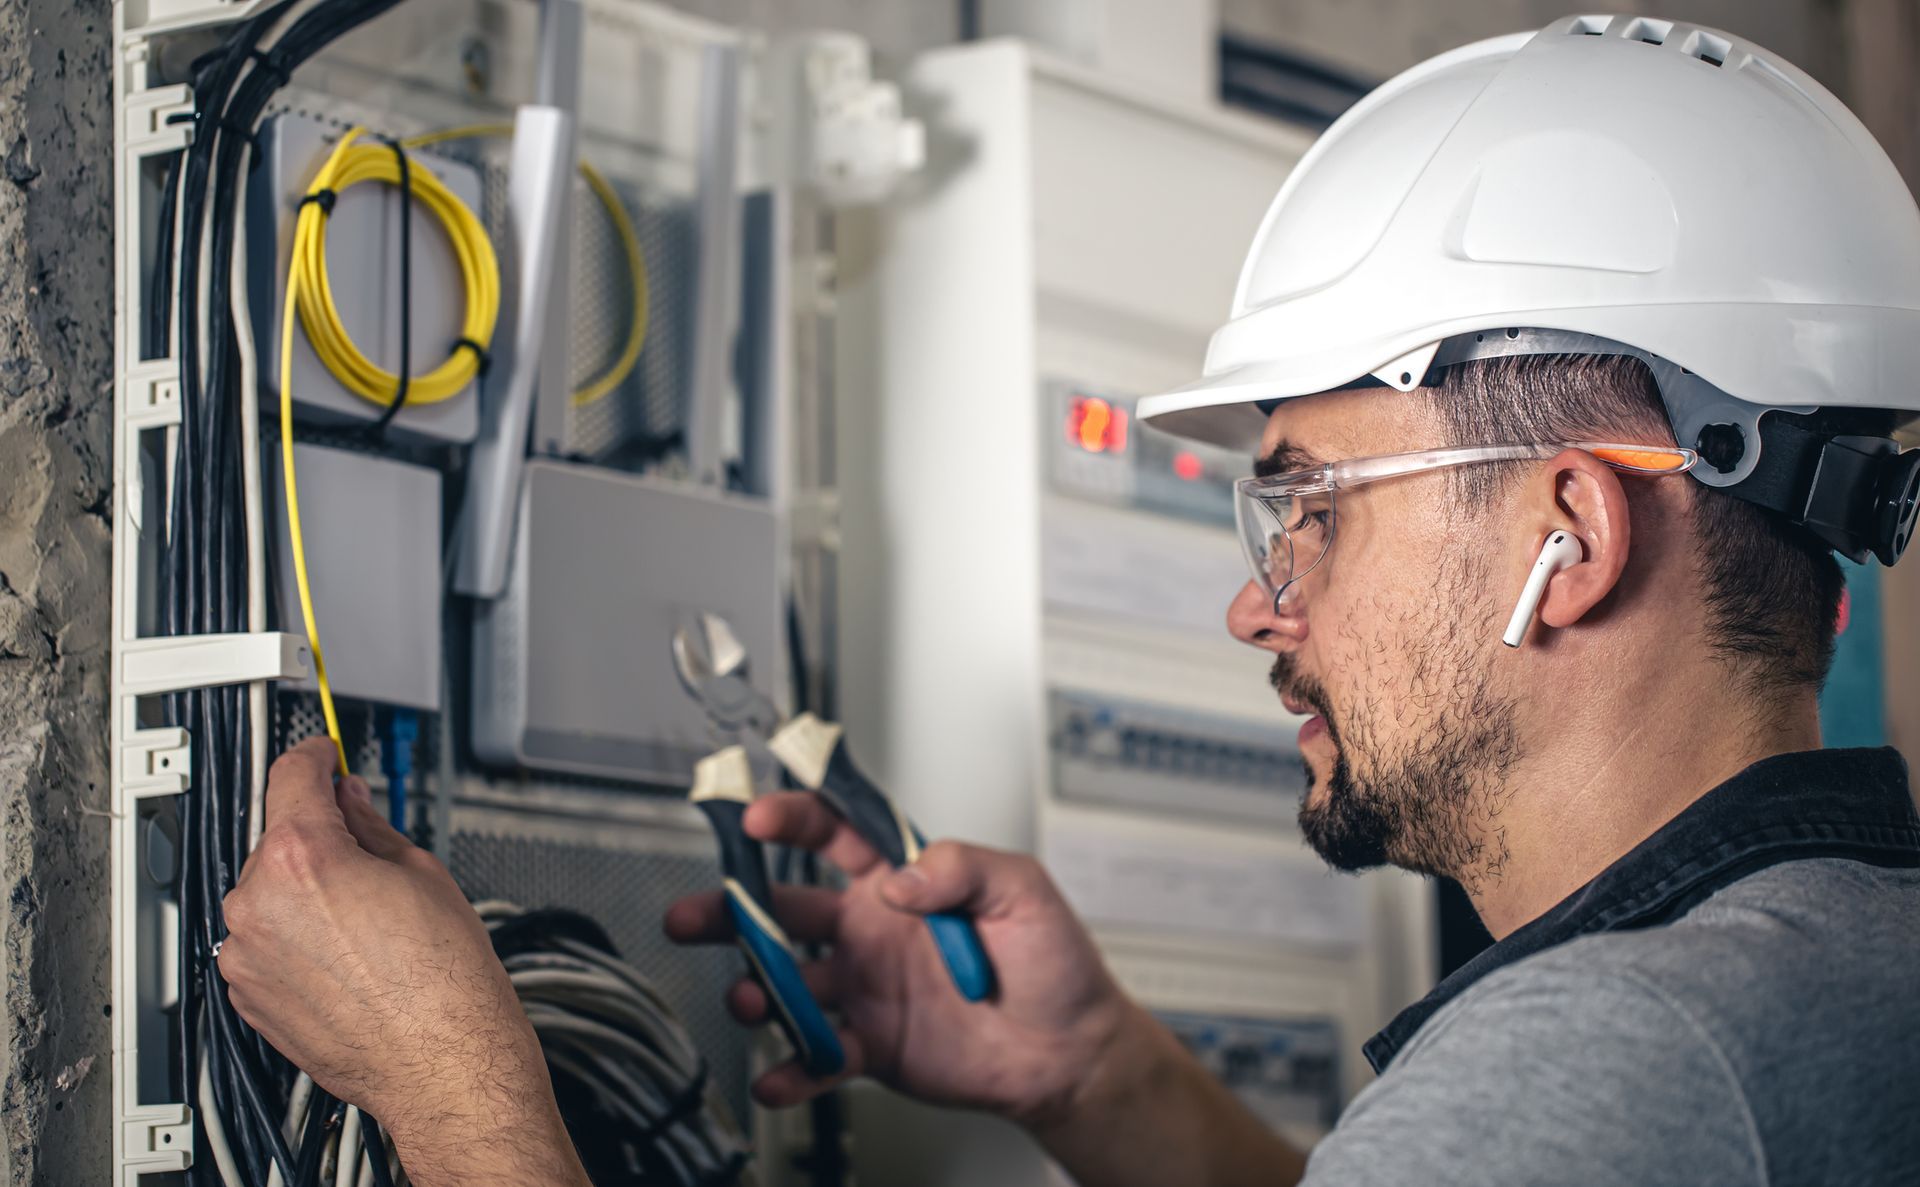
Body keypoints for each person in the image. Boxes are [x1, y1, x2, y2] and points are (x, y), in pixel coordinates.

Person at [220, 15, 1920, 1186]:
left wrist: (451, 1086)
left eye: (1310, 509)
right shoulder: (1837, 972)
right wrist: (1097, 1073)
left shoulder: (1615, 1068)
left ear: (1573, 536)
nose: (1262, 612)